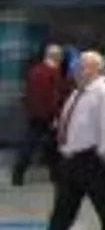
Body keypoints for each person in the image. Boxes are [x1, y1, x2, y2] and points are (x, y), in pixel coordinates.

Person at [47, 51, 105, 230]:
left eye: (81, 67)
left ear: (93, 69)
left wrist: (101, 157)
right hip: (71, 161)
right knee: (62, 211)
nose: (76, 70)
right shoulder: (77, 92)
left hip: (91, 160)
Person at [12, 44, 69, 186]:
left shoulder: (34, 70)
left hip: (34, 113)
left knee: (31, 144)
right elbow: (55, 96)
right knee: (52, 146)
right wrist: (56, 115)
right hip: (48, 115)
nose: (62, 58)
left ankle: (18, 174)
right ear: (55, 56)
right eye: (60, 56)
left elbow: (28, 93)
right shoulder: (54, 73)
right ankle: (56, 175)